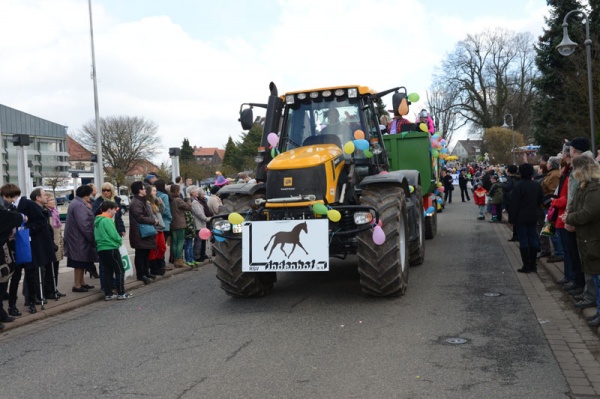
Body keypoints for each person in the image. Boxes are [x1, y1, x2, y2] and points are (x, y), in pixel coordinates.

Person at [563, 155, 600, 325]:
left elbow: (588, 213)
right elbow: (578, 207)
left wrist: (570, 218)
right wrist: (569, 217)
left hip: (594, 238)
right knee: (594, 276)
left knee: (597, 278)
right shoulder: (585, 187)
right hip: (587, 237)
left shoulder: (594, 188)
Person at [94, 200, 133, 301]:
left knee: (108, 271)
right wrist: (120, 241)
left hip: (101, 248)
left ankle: (108, 294)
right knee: (119, 269)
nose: (115, 212)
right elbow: (113, 234)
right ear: (109, 209)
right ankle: (121, 292)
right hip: (111, 247)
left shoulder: (97, 220)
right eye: (114, 210)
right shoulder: (107, 220)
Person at [0, 185, 27, 326]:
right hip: (2, 250)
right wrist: (22, 216)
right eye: (12, 197)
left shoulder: (5, 208)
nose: (13, 201)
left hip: (4, 250)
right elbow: (15, 218)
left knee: (3, 280)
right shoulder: (4, 210)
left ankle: (2, 313)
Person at [509, 163, 544, 273]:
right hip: (533, 215)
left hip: (521, 217)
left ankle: (526, 265)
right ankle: (533, 265)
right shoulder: (537, 185)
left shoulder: (518, 186)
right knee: (533, 237)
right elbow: (540, 200)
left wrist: (512, 219)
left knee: (523, 240)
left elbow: (514, 204)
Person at [63, 185, 97, 293]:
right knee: (78, 262)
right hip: (78, 238)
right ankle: (77, 285)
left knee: (82, 261)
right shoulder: (79, 205)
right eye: (90, 194)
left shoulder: (77, 203)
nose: (90, 197)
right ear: (86, 195)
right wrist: (91, 237)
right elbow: (84, 224)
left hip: (78, 238)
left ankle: (82, 283)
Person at [91, 183, 125, 284]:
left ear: (112, 191)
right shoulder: (99, 201)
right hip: (105, 233)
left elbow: (119, 217)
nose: (106, 192)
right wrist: (101, 207)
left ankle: (114, 284)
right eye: (104, 190)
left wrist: (122, 228)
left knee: (115, 261)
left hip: (115, 230)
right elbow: (94, 214)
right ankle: (106, 286)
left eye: (108, 190)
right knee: (105, 264)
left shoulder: (117, 200)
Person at [129, 181, 158, 284]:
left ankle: (146, 272)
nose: (146, 190)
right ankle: (141, 274)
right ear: (138, 190)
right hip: (139, 232)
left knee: (146, 253)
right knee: (140, 254)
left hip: (144, 231)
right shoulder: (136, 202)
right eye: (143, 188)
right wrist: (152, 220)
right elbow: (139, 217)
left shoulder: (142, 201)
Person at [43, 193, 66, 300]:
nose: (53, 201)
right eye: (51, 200)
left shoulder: (55, 212)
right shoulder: (46, 213)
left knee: (55, 268)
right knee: (49, 269)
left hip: (58, 244)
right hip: (51, 245)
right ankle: (49, 291)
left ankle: (54, 288)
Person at [169, 184, 193, 268]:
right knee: (180, 242)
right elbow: (189, 207)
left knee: (175, 242)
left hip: (173, 223)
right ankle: (179, 260)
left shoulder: (171, 200)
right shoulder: (178, 200)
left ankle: (176, 260)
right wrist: (188, 198)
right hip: (180, 223)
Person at [147, 184, 167, 275]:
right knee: (153, 249)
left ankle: (159, 264)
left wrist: (161, 203)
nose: (155, 192)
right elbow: (151, 214)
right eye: (153, 191)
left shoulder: (155, 202)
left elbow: (162, 211)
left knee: (162, 247)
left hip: (160, 227)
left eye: (155, 190)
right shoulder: (148, 203)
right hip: (155, 228)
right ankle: (154, 267)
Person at [189, 186, 211, 263]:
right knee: (198, 241)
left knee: (201, 241)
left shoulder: (196, 200)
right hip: (199, 224)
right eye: (195, 192)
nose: (197, 193)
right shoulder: (194, 202)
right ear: (192, 193)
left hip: (201, 224)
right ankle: (197, 256)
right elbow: (199, 213)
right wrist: (206, 219)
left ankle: (201, 254)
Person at [154, 179, 173, 271]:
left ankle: (157, 264)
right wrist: (170, 218)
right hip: (164, 222)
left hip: (156, 222)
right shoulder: (164, 196)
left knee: (157, 246)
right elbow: (166, 209)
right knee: (162, 245)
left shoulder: (154, 195)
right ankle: (161, 264)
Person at [502, 165, 520, 241]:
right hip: (518, 200)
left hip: (511, 201)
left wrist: (503, 183)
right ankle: (517, 235)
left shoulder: (510, 179)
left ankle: (515, 236)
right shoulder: (519, 178)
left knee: (514, 220)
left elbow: (507, 188)